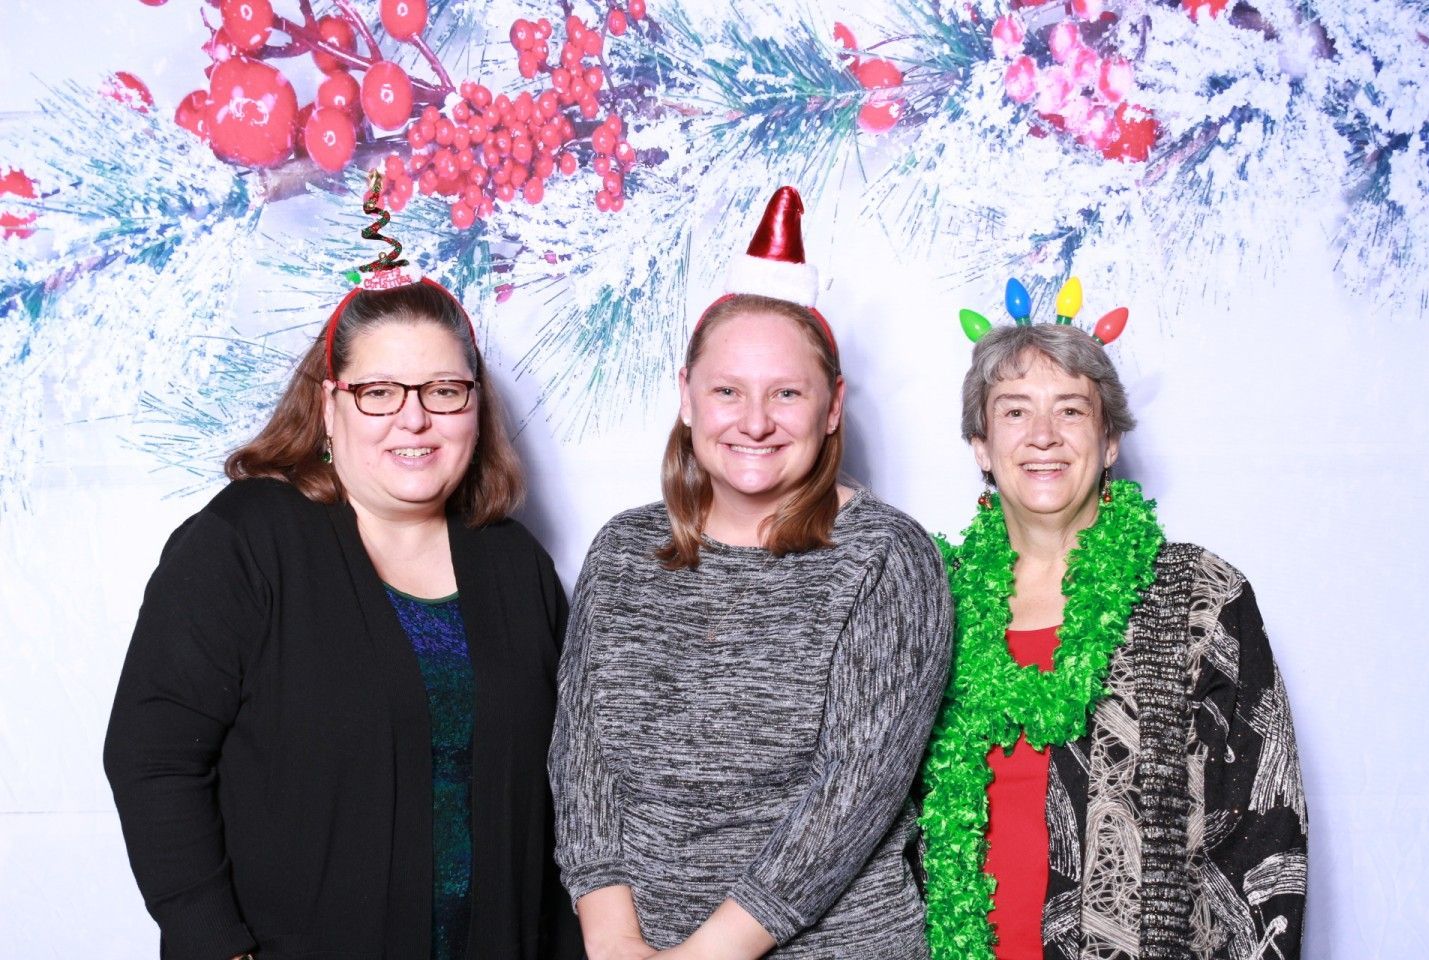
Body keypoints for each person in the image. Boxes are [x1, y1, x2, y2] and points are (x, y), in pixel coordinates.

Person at [103, 206, 583, 960]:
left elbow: (566, 791)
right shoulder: (245, 541)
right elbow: (153, 758)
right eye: (380, 392)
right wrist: (217, 947)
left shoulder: (515, 567)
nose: (415, 419)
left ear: (474, 406)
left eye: (444, 391)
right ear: (329, 405)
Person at [549, 187, 954, 960]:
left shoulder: (888, 559)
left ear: (832, 406)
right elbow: (582, 757)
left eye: (787, 393)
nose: (755, 420)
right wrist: (611, 938)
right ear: (687, 399)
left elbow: (852, 795)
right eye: (727, 390)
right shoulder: (622, 551)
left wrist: (704, 956)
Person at [921, 303, 1307, 960]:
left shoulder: (1201, 596)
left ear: (1108, 442)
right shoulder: (927, 602)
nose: (1043, 434)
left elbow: (1264, 834)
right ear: (981, 447)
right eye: (1015, 411)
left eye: (1070, 409)